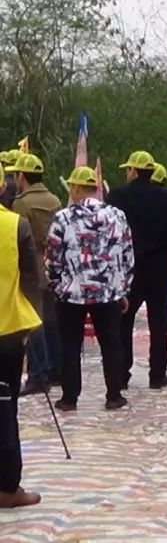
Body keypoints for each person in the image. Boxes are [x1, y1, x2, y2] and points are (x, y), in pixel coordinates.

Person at [44, 167, 134, 412]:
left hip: (72, 293)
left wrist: (55, 285)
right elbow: (127, 254)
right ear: (95, 187)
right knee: (111, 344)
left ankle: (69, 398)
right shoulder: (117, 216)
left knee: (70, 345)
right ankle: (114, 395)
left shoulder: (63, 218)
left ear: (74, 187)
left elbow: (52, 256)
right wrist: (123, 288)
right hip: (107, 293)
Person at [107, 150, 167, 390]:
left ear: (133, 171)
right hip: (159, 268)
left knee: (123, 320)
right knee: (159, 323)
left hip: (129, 268)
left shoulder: (116, 196)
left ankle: (121, 375)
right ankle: (157, 375)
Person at [0, 188, 42, 509]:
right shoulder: (15, 225)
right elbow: (31, 278)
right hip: (8, 330)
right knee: (4, 407)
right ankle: (7, 487)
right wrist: (30, 324)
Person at [9, 154, 62, 396]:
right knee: (52, 322)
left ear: (22, 176)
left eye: (16, 174)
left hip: (33, 268)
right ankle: (56, 370)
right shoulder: (54, 199)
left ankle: (37, 376)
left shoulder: (22, 203)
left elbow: (18, 240)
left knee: (33, 324)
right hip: (54, 268)